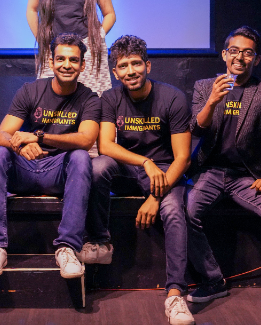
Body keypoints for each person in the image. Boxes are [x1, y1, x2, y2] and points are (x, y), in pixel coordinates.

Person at [81, 35, 195, 325]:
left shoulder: (172, 98)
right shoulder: (110, 98)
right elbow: (106, 146)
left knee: (173, 211)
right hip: (131, 167)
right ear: (115, 72)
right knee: (97, 167)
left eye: (136, 63)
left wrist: (156, 198)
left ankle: (175, 294)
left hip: (165, 171)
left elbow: (183, 158)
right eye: (123, 66)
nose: (130, 71)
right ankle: (99, 241)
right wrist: (144, 162)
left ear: (148, 66)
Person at [185, 26, 261, 320]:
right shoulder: (205, 86)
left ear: (256, 59)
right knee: (187, 209)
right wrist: (212, 101)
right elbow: (196, 128)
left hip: (248, 176)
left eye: (247, 53)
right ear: (224, 54)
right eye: (234, 51)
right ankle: (213, 280)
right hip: (210, 171)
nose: (240, 57)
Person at [0, 32, 101, 279]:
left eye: (73, 60)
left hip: (59, 171)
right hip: (26, 167)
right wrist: (19, 147)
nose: (67, 65)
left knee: (81, 157)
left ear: (82, 65)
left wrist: (39, 137)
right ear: (52, 62)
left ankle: (67, 248)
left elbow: (86, 139)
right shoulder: (31, 90)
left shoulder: (89, 98)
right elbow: (1, 135)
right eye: (61, 59)